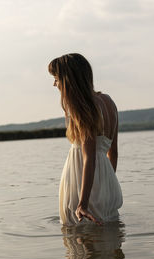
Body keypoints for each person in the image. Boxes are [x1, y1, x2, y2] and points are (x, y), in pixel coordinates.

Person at [48, 53, 123, 226]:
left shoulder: (83, 108)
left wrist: (82, 203)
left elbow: (88, 157)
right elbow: (114, 152)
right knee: (108, 239)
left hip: (82, 184)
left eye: (56, 78)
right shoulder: (108, 102)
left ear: (69, 79)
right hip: (105, 179)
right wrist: (106, 186)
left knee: (80, 239)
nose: (54, 84)